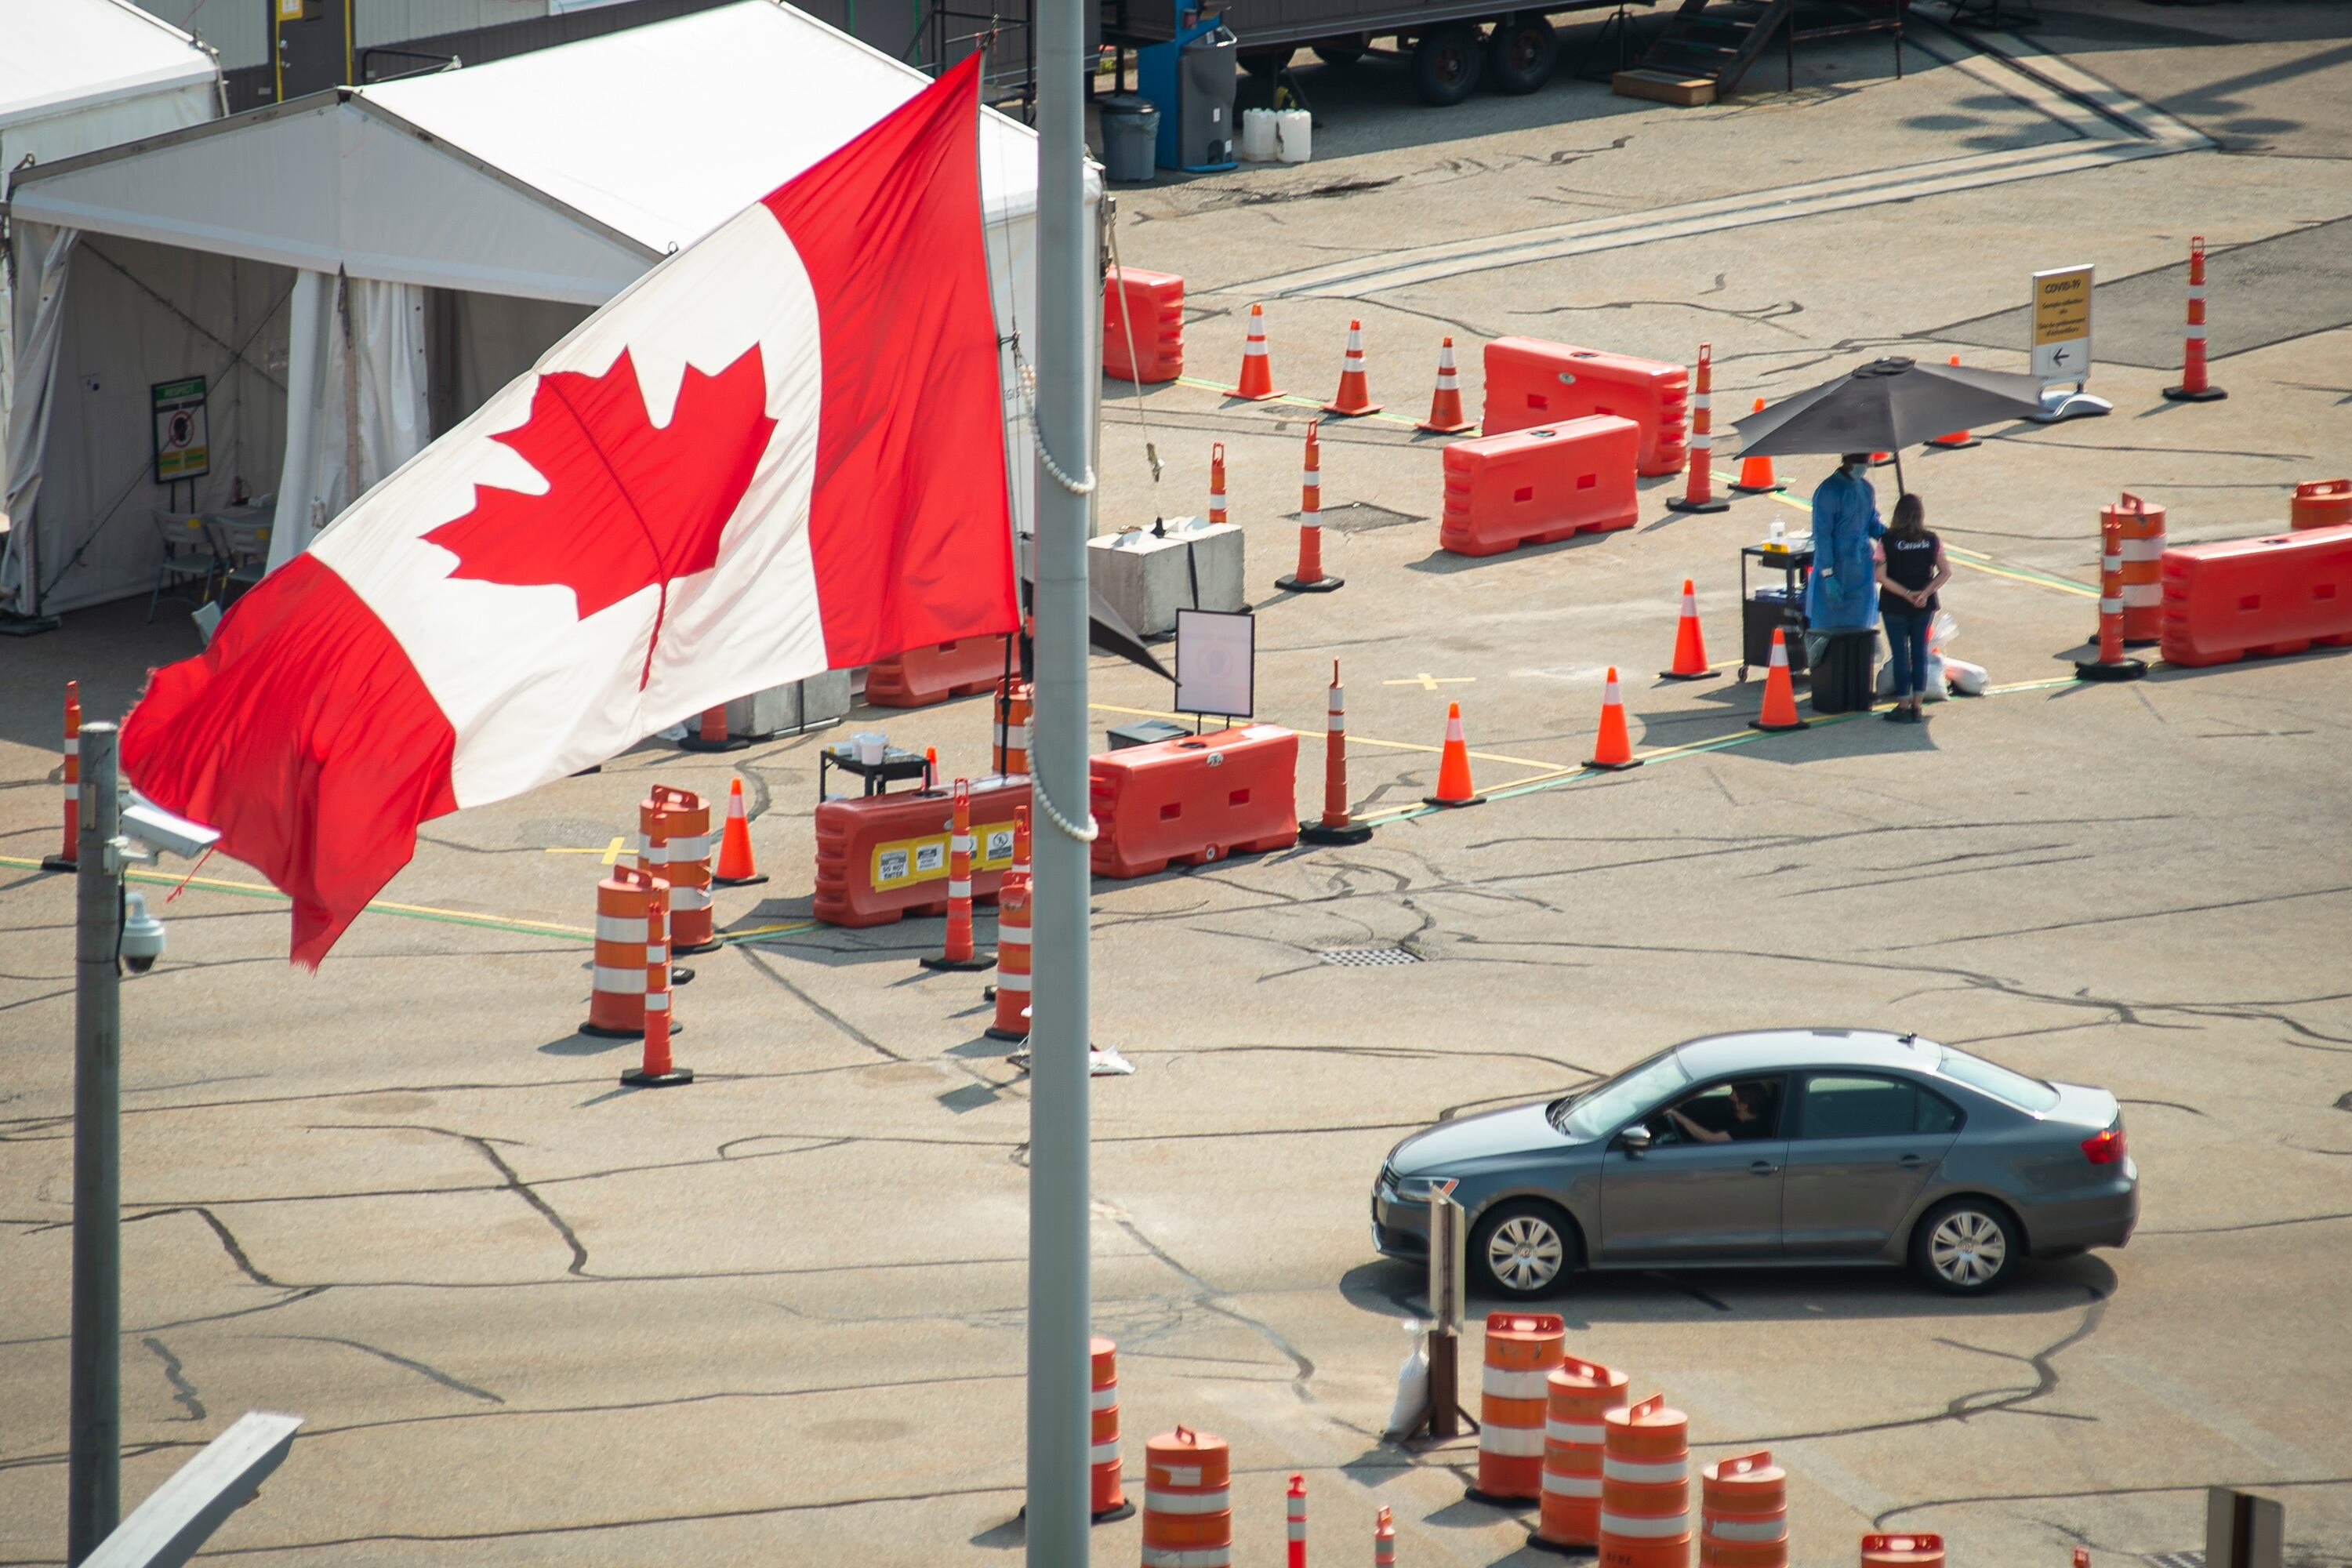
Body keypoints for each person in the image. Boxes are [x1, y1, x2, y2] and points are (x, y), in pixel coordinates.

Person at [1876, 492, 1951, 723]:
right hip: (1924, 606)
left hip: (1895, 605)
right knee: (1919, 654)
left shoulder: (1886, 540)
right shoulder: (1931, 540)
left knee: (1900, 655)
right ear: (1920, 515)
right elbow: (1945, 572)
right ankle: (1917, 707)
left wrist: (1907, 594)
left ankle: (1902, 705)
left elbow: (1880, 575)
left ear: (1897, 514)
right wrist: (1925, 593)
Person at [1804, 454, 1886, 635]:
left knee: (1861, 630)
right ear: (1847, 460)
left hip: (1861, 569)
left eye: (1866, 461)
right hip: (1835, 566)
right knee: (1828, 632)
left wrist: (1891, 536)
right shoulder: (1828, 491)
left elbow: (1872, 523)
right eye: (1861, 461)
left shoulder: (1866, 489)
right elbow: (1823, 535)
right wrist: (1827, 573)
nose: (1864, 466)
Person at [1664, 1081, 1774, 1145]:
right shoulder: (1746, 1121)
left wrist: (1675, 1114)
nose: (1729, 1097)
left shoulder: (1751, 1128)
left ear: (1744, 1105)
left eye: (1734, 1100)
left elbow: (1710, 1139)